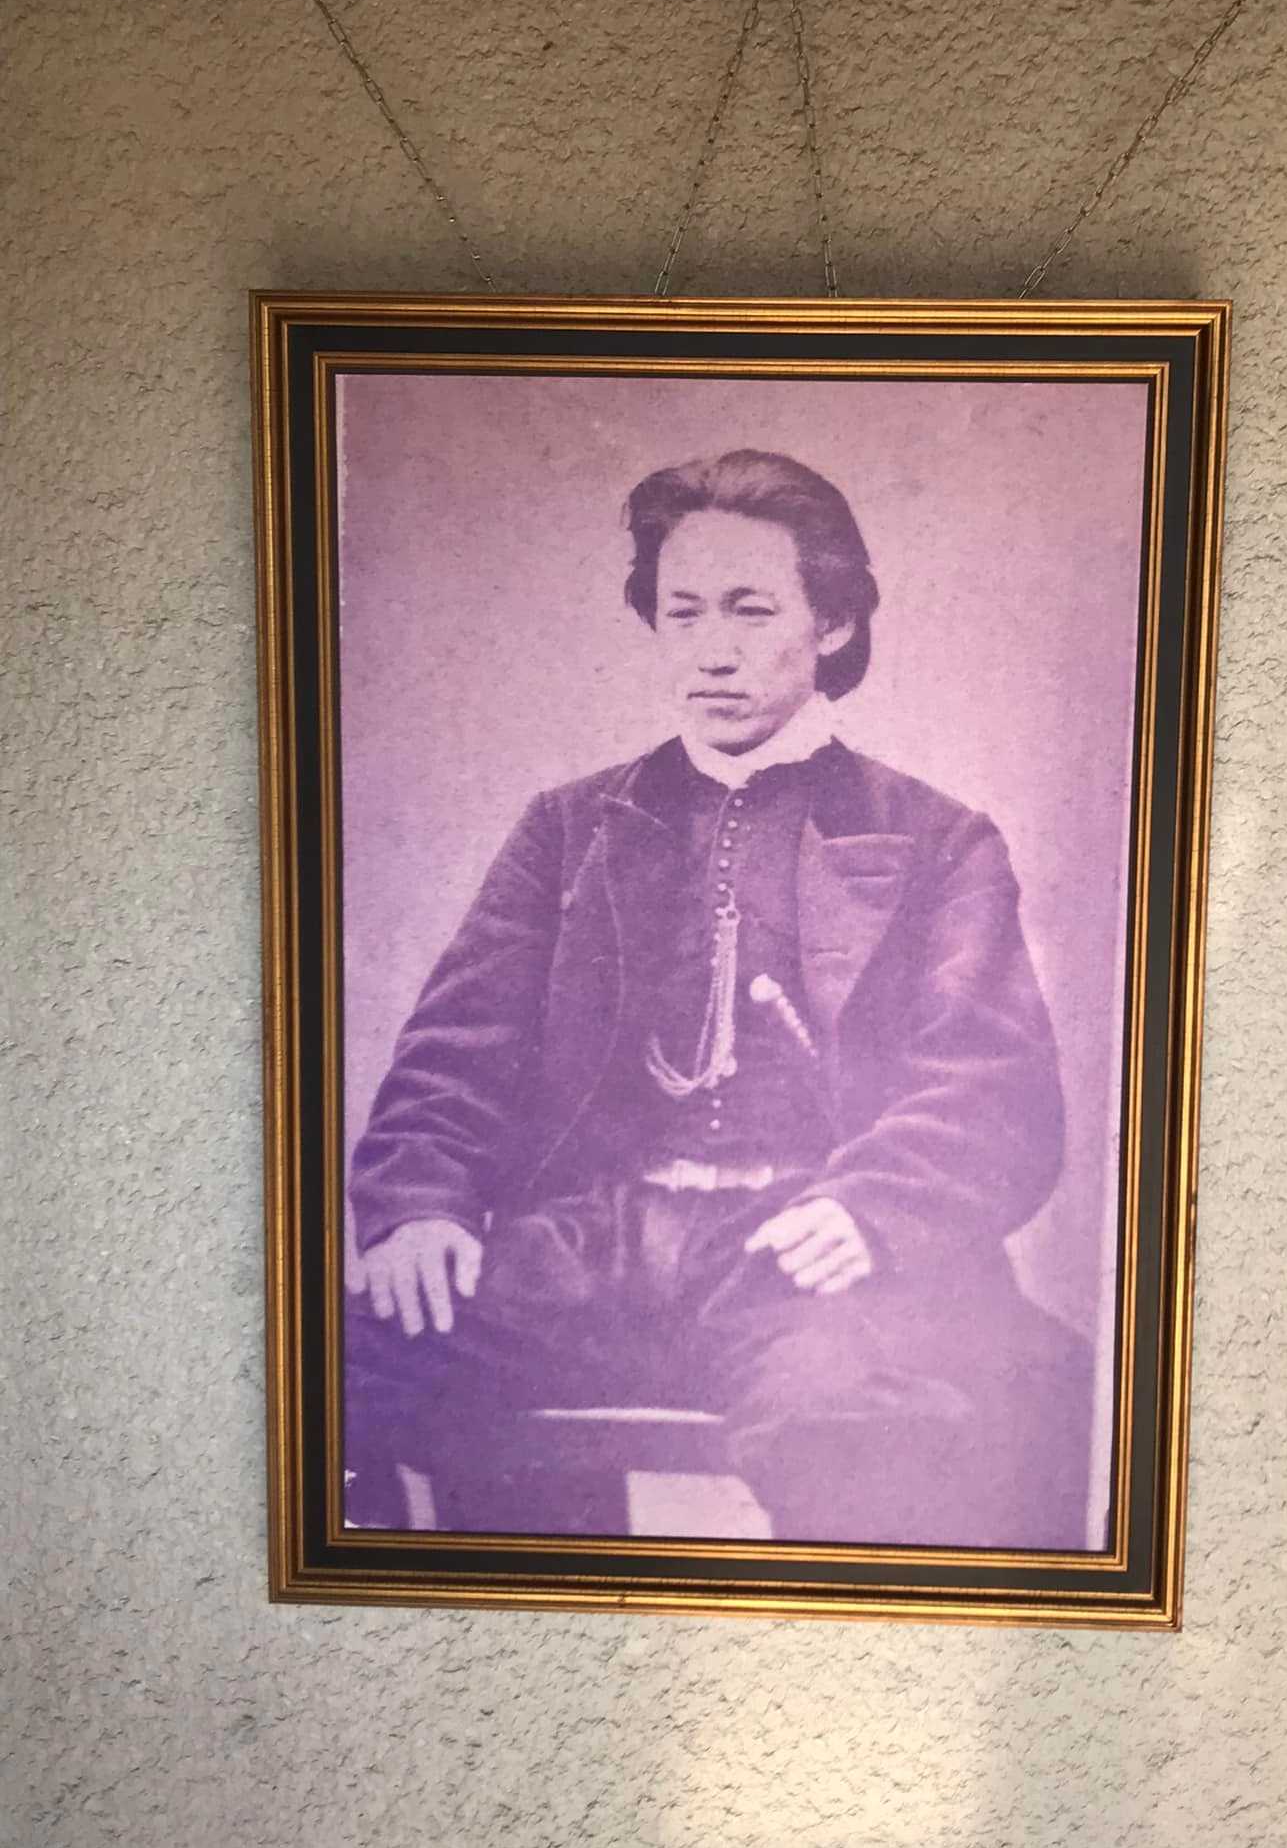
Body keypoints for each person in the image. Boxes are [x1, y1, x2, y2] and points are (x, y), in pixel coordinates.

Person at [345, 447, 1089, 1548]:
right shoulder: (571, 828)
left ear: (832, 622)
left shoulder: (938, 837)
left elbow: (992, 1083)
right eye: (683, 612)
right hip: (594, 1248)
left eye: (750, 609)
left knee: (861, 1432)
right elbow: (457, 1052)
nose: (713, 650)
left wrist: (871, 1207)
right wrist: (421, 1203)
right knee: (329, 1363)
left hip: (804, 1256)